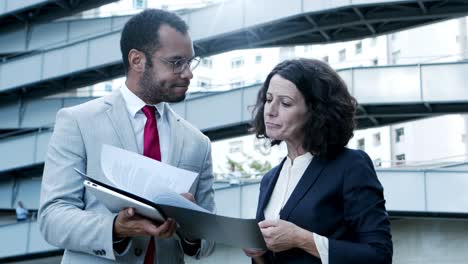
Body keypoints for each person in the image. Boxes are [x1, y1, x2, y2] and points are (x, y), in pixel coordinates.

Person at [39, 9, 215, 263]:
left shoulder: (198, 143)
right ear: (137, 60)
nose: (188, 73)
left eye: (190, 62)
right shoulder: (77, 121)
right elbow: (52, 218)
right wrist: (115, 229)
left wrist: (191, 229)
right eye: (177, 62)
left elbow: (209, 236)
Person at [244, 58, 393, 263]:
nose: (270, 110)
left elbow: (379, 256)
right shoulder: (269, 179)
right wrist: (259, 254)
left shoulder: (350, 166)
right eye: (269, 99)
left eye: (285, 103)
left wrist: (301, 239)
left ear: (315, 112)